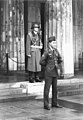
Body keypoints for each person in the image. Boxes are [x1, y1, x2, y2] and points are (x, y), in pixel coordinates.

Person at [40, 36, 63, 110]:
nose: (55, 44)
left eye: (55, 43)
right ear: (49, 43)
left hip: (55, 72)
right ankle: (46, 105)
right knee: (47, 89)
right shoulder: (47, 51)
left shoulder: (56, 51)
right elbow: (41, 61)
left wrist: (57, 66)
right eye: (53, 43)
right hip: (49, 72)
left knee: (55, 89)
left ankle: (54, 103)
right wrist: (47, 66)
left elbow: (60, 59)